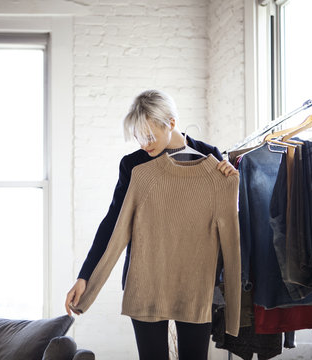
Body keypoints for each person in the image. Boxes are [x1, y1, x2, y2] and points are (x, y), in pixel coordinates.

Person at [65, 90, 239, 360]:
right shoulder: (134, 165)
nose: (144, 145)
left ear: (170, 123)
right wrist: (85, 276)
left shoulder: (209, 156)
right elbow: (113, 222)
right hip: (146, 278)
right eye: (138, 137)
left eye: (149, 136)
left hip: (195, 281)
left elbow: (228, 219)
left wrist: (231, 179)